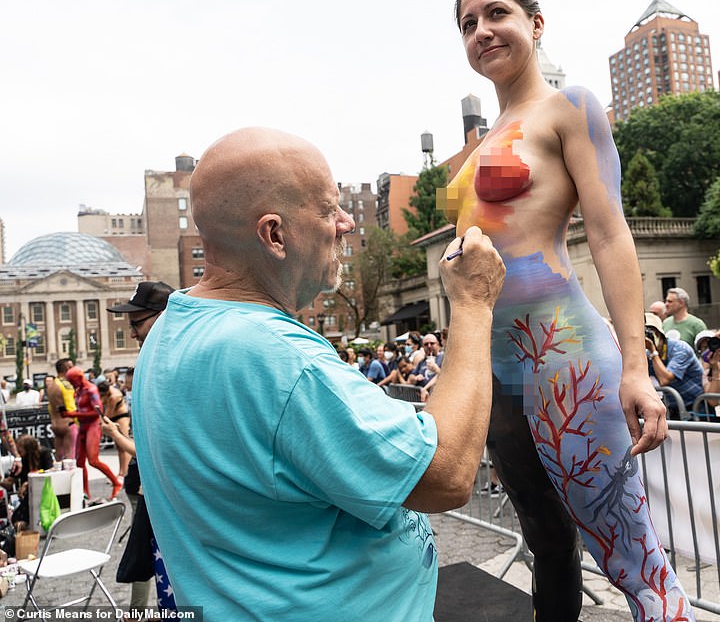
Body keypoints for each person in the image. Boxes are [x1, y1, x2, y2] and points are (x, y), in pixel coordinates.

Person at [134, 126, 505, 621]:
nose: (346, 223)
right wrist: (474, 303)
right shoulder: (278, 358)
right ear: (274, 235)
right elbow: (447, 475)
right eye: (330, 210)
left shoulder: (169, 328)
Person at [441, 0, 688, 620]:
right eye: (467, 23)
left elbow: (609, 233)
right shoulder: (482, 141)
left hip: (562, 354)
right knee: (546, 541)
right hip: (493, 368)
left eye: (497, 13)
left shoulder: (569, 107)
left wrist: (636, 368)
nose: (481, 30)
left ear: (536, 23)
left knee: (634, 561)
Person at [105, 280, 176, 612]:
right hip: (158, 490)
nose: (132, 333)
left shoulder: (174, 361)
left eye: (137, 323)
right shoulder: (153, 359)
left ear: (162, 316)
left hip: (175, 498)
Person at [61, 366, 123, 499]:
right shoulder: (79, 390)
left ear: (79, 378)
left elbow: (96, 412)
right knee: (80, 463)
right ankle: (85, 492)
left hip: (92, 426)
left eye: (73, 381)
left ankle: (116, 482)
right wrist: (72, 413)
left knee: (93, 460)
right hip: (83, 426)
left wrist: (73, 414)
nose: (72, 384)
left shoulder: (91, 389)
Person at [644, 313, 705, 420]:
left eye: (650, 332)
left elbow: (664, 379)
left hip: (698, 405)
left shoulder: (680, 348)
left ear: (659, 333)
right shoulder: (646, 354)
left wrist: (653, 351)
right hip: (674, 406)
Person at [1, 435, 53, 524]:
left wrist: (28, 483)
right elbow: (9, 483)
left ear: (28, 449)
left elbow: (50, 471)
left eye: (20, 451)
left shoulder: (44, 454)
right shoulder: (21, 461)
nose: (19, 453)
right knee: (16, 519)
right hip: (28, 497)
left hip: (44, 493)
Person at [45, 358, 79, 461]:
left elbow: (50, 407)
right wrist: (78, 422)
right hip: (68, 423)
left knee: (59, 456)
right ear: (67, 368)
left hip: (55, 424)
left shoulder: (51, 385)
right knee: (70, 456)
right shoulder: (66, 384)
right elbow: (71, 406)